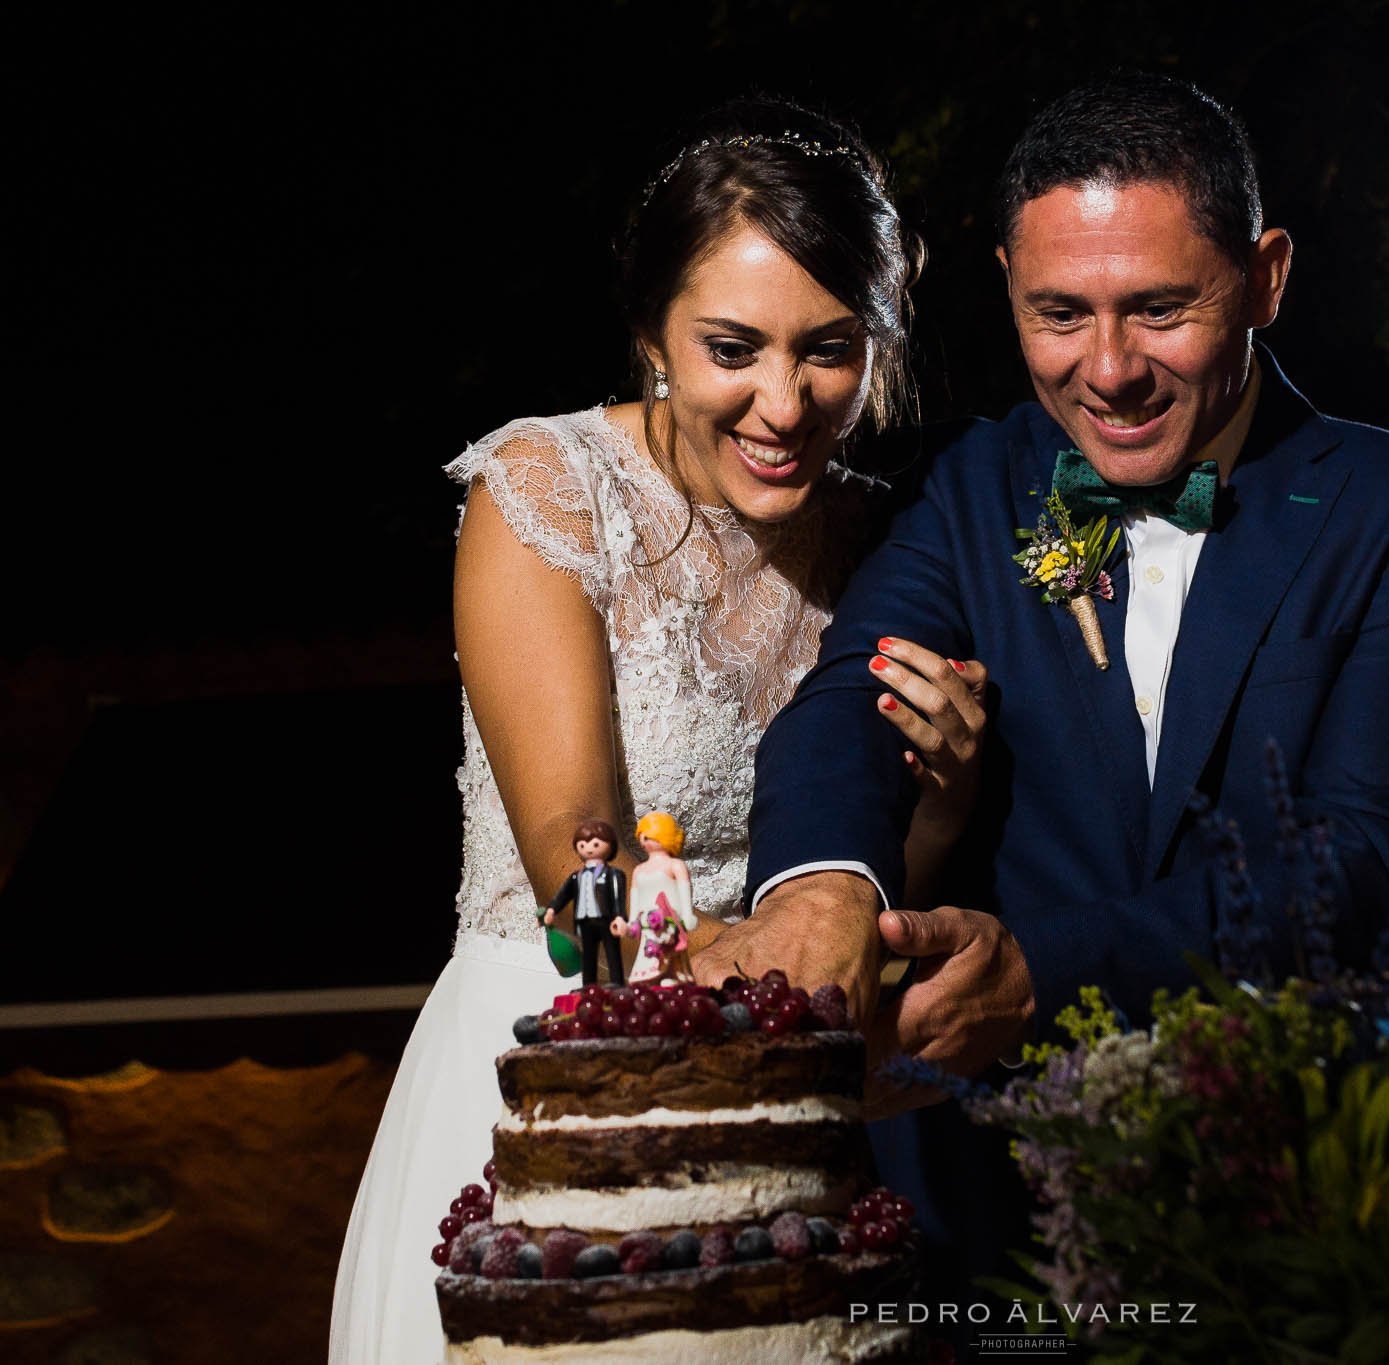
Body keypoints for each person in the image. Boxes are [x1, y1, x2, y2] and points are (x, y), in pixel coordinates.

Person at [692, 73, 1389, 1294]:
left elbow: (1366, 861)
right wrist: (815, 894)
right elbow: (849, 696)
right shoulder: (962, 485)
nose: (1107, 371)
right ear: (1006, 280)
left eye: (1159, 309)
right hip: (981, 1216)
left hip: (1283, 1207)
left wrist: (1040, 975)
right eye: (1058, 314)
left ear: (1265, 277)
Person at [329, 97, 993, 1363]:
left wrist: (945, 796)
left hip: (787, 1121)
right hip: (552, 1074)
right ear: (651, 336)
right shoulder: (546, 491)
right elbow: (573, 860)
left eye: (829, 350)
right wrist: (770, 990)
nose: (783, 403)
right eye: (732, 348)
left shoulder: (883, 544)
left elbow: (857, 892)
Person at [542, 818, 627, 987]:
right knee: (588, 953)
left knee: (612, 950)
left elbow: (618, 897)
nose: (588, 849)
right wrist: (552, 910)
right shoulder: (577, 876)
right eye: (582, 845)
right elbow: (563, 895)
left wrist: (620, 917)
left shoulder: (613, 875)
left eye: (595, 844)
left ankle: (617, 982)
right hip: (585, 921)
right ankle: (589, 986)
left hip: (606, 919)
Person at [618, 810, 695, 983]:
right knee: (648, 951)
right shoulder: (639, 870)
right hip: (648, 920)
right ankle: (649, 978)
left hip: (669, 917)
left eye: (648, 836)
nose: (644, 841)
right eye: (642, 837)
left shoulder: (675, 865)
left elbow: (684, 889)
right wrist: (632, 920)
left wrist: (687, 914)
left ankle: (672, 977)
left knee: (671, 950)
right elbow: (635, 896)